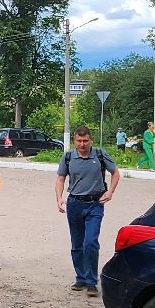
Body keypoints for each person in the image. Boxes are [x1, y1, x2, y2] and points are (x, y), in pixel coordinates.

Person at [55, 126, 119, 294]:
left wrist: (110, 192)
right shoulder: (68, 157)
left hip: (95, 204)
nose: (82, 144)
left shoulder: (99, 155)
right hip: (75, 203)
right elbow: (60, 179)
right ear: (74, 141)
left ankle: (91, 281)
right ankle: (81, 278)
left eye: (85, 141)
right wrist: (59, 198)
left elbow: (115, 173)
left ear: (91, 140)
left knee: (90, 242)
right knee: (77, 243)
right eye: (78, 141)